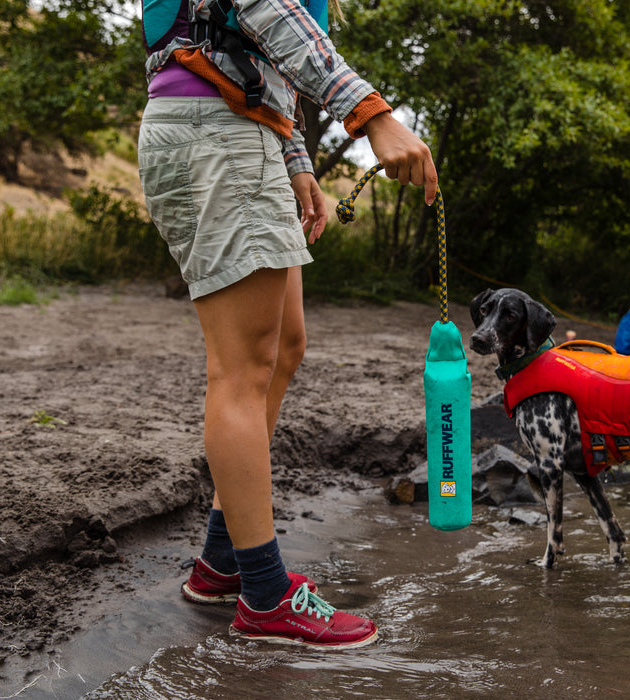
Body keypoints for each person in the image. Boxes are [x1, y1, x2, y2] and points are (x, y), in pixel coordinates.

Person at [137, 0, 437, 648]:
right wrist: (372, 115)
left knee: (286, 347)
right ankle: (267, 599)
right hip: (214, 132)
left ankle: (223, 563)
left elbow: (257, 57)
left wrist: (296, 160)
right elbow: (265, 9)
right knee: (242, 370)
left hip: (242, 130)